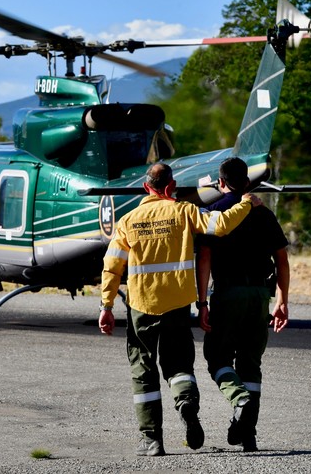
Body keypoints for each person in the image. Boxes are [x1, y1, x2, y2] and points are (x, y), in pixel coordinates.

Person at [99, 162, 260, 456]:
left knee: (143, 370)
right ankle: (186, 404)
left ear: (147, 188)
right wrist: (246, 203)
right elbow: (221, 225)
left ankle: (152, 440)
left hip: (141, 305)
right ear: (171, 187)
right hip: (177, 305)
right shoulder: (185, 212)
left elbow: (111, 267)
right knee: (179, 366)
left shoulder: (128, 221)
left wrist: (106, 305)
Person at [196, 157, 289, 452]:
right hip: (261, 296)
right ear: (247, 182)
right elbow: (283, 260)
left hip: (229, 294)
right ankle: (247, 434)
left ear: (220, 183)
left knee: (217, 357)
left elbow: (205, 259)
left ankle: (240, 400)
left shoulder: (215, 212)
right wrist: (283, 301)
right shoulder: (265, 213)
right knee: (251, 364)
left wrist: (201, 302)